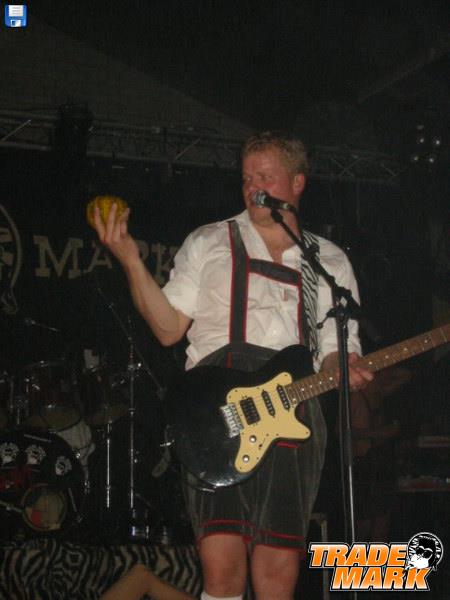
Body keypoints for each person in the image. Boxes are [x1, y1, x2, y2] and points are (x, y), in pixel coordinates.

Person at [93, 131, 373, 600]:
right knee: (222, 568)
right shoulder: (209, 241)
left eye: (264, 177)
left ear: (297, 182)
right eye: (246, 178)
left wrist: (345, 365)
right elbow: (168, 329)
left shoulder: (328, 260)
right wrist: (130, 260)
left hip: (292, 412)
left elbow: (332, 351)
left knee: (277, 574)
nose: (252, 188)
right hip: (214, 411)